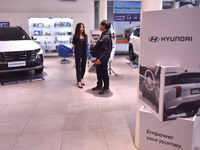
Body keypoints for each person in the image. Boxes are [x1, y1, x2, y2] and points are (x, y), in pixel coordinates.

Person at [92, 20, 112, 94]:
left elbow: (106, 51)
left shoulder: (106, 37)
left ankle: (106, 88)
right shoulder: (103, 34)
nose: (99, 26)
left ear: (104, 26)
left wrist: (100, 59)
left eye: (101, 25)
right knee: (99, 72)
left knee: (104, 72)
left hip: (102, 59)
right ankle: (99, 85)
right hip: (99, 57)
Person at [73, 23, 88, 88]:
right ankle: (78, 81)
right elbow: (73, 45)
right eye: (81, 27)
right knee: (78, 67)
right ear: (78, 28)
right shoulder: (75, 36)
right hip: (78, 53)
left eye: (83, 27)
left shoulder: (85, 36)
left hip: (84, 53)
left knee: (84, 67)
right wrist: (75, 52)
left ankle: (81, 79)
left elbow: (87, 45)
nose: (82, 28)